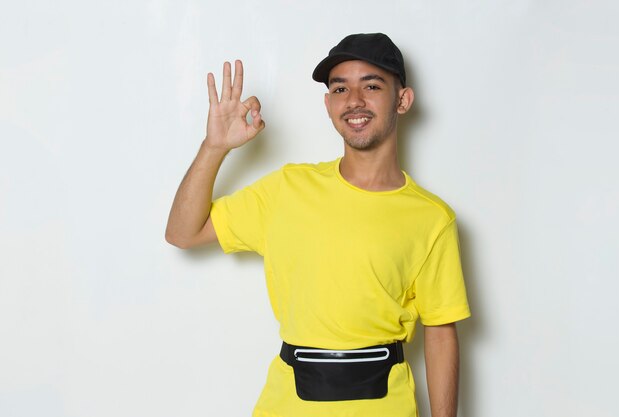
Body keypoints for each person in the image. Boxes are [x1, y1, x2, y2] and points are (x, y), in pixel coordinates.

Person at [166, 33, 471, 417]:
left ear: (402, 100)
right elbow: (182, 232)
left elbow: (441, 333)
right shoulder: (287, 189)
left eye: (372, 85)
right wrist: (215, 147)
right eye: (340, 88)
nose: (354, 100)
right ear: (328, 105)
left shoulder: (432, 218)